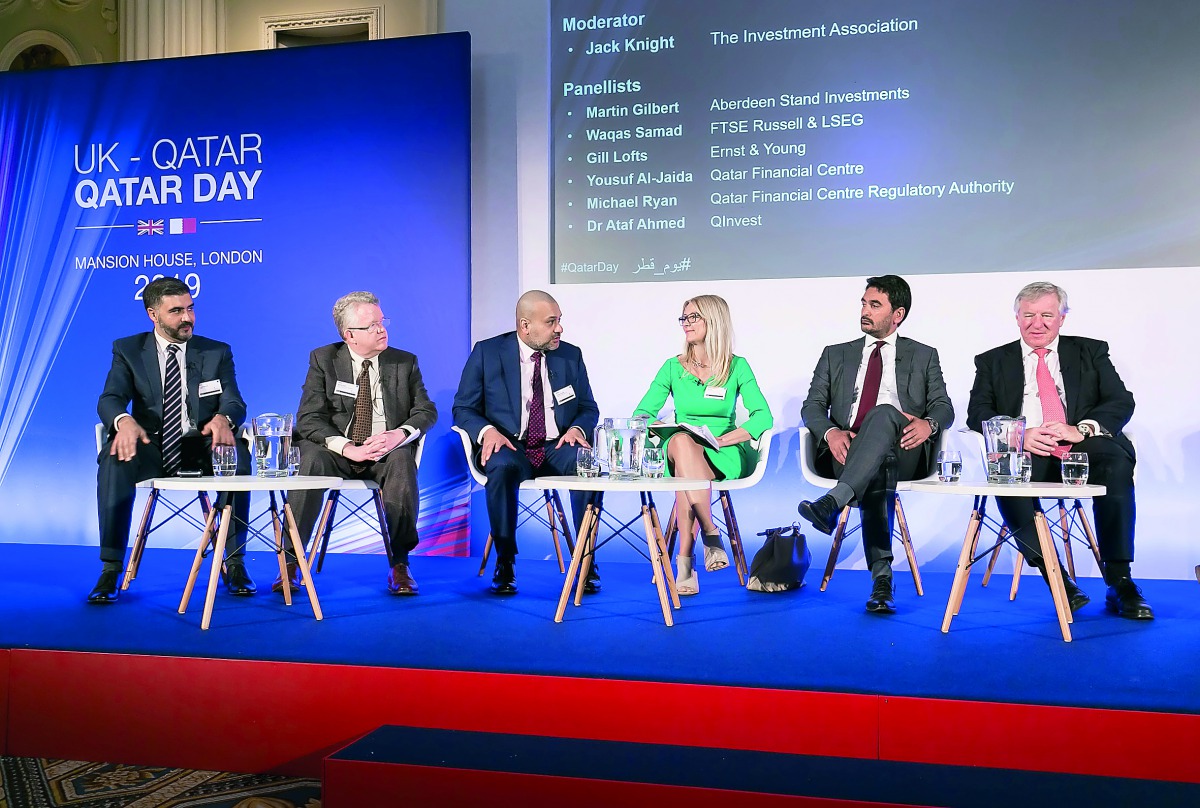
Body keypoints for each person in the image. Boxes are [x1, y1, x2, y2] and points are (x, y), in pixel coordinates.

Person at [967, 281, 1152, 619]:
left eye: (1047, 315)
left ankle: (1120, 582)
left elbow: (1120, 401)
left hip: (1082, 446)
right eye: (1028, 315)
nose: (1037, 324)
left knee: (1116, 464)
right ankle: (1057, 578)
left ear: (1062, 318)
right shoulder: (993, 360)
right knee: (1006, 474)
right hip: (1028, 449)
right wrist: (1019, 434)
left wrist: (1081, 429)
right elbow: (978, 412)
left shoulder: (1090, 351)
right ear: (1017, 317)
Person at [797, 275, 953, 614]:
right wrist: (830, 433)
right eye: (864, 303)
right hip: (846, 450)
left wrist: (928, 424)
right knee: (880, 464)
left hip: (906, 448)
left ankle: (834, 501)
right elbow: (812, 406)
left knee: (883, 413)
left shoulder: (924, 355)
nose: (865, 311)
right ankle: (882, 579)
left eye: (875, 305)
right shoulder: (835, 354)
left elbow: (944, 407)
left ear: (898, 314)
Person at [92, 277, 254, 602]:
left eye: (190, 309)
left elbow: (234, 401)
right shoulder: (128, 350)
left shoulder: (216, 351)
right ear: (153, 315)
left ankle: (235, 563)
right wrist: (124, 421)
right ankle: (111, 568)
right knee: (114, 457)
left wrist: (223, 418)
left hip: (202, 445)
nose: (187, 318)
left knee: (237, 456)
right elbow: (110, 398)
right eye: (176, 311)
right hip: (152, 446)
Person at [284, 291, 437, 595]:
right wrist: (347, 448)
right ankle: (291, 561)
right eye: (372, 326)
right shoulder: (324, 359)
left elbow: (426, 410)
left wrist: (399, 434)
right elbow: (309, 417)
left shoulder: (404, 361)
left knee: (402, 459)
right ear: (349, 335)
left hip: (384, 451)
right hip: (338, 451)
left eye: (382, 322)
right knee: (311, 458)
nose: (382, 330)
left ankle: (400, 563)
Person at [453, 290, 599, 595]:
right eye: (551, 322)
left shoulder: (570, 355)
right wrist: (487, 431)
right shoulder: (487, 352)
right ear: (525, 325)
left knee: (587, 464)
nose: (559, 328)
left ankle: (586, 560)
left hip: (556, 445)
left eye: (559, 320)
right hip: (509, 444)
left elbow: (588, 407)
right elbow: (463, 408)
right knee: (502, 467)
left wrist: (577, 429)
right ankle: (505, 561)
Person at [632, 294, 772, 595]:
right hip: (679, 446)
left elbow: (763, 417)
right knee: (683, 441)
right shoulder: (673, 367)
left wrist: (720, 440)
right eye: (684, 318)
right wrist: (658, 426)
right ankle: (710, 532)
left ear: (714, 320)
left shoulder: (737, 367)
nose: (686, 323)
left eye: (693, 317)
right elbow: (642, 413)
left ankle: (685, 563)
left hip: (721, 452)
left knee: (688, 477)